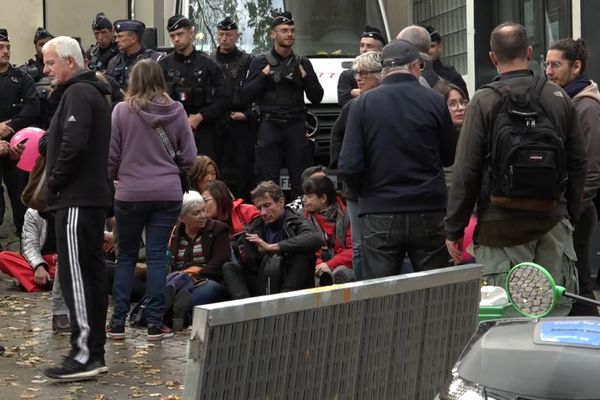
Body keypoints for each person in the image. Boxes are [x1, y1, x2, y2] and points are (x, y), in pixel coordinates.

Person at [444, 23, 586, 316]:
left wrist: (454, 228)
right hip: (552, 223)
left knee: (508, 322)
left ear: (492, 57)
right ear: (530, 53)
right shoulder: (559, 99)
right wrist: (569, 212)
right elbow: (578, 163)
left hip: (500, 228)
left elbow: (466, 171)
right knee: (552, 318)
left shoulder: (484, 100)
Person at [338, 39, 455, 279]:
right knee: (433, 291)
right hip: (427, 208)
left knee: (381, 296)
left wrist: (367, 194)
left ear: (383, 69)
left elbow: (348, 165)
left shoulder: (361, 105)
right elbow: (449, 156)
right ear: (415, 67)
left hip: (380, 210)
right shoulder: (434, 101)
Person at [106, 59, 196, 341]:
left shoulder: (121, 111)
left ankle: (118, 323)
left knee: (126, 257)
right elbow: (191, 157)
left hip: (130, 192)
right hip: (167, 193)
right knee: (158, 256)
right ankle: (156, 324)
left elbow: (111, 156)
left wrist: (115, 177)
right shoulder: (177, 111)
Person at [41, 36, 113, 380]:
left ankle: (85, 353)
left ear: (70, 62)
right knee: (90, 275)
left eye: (50, 62)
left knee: (77, 277)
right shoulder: (89, 93)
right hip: (86, 200)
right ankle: (92, 351)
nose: (45, 69)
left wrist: (55, 179)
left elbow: (74, 142)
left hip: (76, 201)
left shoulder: (79, 94)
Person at [545, 38, 600, 316]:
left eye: (556, 64)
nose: (549, 71)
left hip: (578, 208)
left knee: (579, 284)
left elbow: (590, 168)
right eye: (546, 64)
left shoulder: (585, 106)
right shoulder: (566, 101)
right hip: (572, 206)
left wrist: (573, 209)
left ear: (576, 67)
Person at [244, 11, 324, 200]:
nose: (289, 34)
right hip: (270, 126)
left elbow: (317, 97)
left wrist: (304, 77)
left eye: (292, 31)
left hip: (295, 126)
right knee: (267, 181)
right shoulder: (260, 62)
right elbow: (245, 97)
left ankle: (302, 223)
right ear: (273, 34)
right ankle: (269, 222)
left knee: (302, 180)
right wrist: (263, 76)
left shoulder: (302, 62)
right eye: (284, 30)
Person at [222, 181, 323, 298]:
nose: (263, 213)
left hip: (289, 278)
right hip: (263, 279)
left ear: (281, 201)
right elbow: (251, 263)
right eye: (259, 208)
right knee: (229, 267)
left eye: (267, 205)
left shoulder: (295, 220)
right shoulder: (255, 226)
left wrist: (273, 247)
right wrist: (250, 252)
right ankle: (245, 310)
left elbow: (315, 238)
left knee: (301, 255)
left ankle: (283, 304)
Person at [330, 51, 383, 280]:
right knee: (360, 244)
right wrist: (342, 168)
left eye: (364, 73)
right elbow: (336, 135)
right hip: (355, 187)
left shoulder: (384, 103)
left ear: (379, 75)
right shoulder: (353, 106)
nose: (358, 78)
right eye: (356, 74)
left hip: (379, 183)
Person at [159, 15, 229, 159]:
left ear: (191, 33)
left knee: (204, 171)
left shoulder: (209, 65)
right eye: (172, 36)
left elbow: (223, 99)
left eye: (180, 34)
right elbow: (155, 97)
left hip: (203, 128)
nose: (176, 39)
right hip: (172, 128)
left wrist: (200, 117)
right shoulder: (163, 66)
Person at [165, 191, 230, 331]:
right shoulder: (174, 234)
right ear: (182, 217)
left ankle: (170, 314)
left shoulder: (218, 229)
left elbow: (222, 260)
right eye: (196, 213)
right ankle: (176, 316)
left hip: (208, 280)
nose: (203, 216)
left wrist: (198, 271)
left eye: (203, 210)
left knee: (206, 290)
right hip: (180, 283)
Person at [0, 208, 70, 333]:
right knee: (4, 257)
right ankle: (53, 283)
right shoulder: (33, 213)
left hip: (65, 260)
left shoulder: (74, 209)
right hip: (42, 262)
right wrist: (39, 266)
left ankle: (42, 283)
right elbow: (29, 245)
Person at [0, 28, 41, 238]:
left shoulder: (21, 77)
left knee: (20, 198)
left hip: (17, 148)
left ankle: (27, 243)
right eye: (0, 48)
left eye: (7, 47)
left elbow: (32, 108)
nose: (5, 51)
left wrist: (11, 127)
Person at [210, 16, 256, 200]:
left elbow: (256, 93)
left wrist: (246, 115)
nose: (224, 38)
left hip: (240, 123)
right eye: (221, 34)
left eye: (229, 34)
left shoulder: (248, 61)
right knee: (214, 169)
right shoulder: (208, 62)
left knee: (243, 171)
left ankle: (243, 208)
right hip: (214, 123)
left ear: (236, 35)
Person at [302, 175, 354, 286]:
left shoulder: (348, 215)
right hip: (315, 267)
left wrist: (330, 265)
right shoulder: (300, 217)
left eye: (309, 196)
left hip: (342, 265)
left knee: (342, 273)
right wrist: (320, 265)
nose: (304, 200)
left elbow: (354, 249)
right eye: (304, 195)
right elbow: (304, 250)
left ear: (323, 199)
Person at [106, 19, 163, 90]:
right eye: (116, 37)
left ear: (133, 38)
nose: (116, 40)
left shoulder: (154, 59)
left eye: (120, 37)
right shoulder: (114, 62)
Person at [337, 25, 386, 107]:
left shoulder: (387, 72)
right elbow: (346, 104)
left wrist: (361, 92)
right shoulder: (348, 75)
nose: (364, 49)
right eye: (362, 45)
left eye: (369, 46)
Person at [433, 80, 469, 189]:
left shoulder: (472, 134)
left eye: (462, 102)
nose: (460, 108)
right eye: (452, 104)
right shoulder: (434, 140)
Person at [425, 25, 469, 99]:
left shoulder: (452, 76)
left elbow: (464, 104)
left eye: (432, 46)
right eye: (424, 47)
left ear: (440, 46)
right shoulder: (414, 75)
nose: (428, 51)